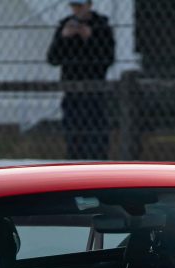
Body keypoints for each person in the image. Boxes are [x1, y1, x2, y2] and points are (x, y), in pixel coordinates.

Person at [46, 0, 116, 160]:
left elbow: (107, 58)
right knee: (73, 132)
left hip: (94, 88)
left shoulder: (101, 26)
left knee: (95, 133)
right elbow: (52, 59)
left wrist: (91, 38)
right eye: (74, 6)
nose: (77, 10)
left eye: (80, 6)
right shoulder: (65, 25)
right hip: (71, 89)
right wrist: (63, 38)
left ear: (89, 5)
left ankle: (97, 163)